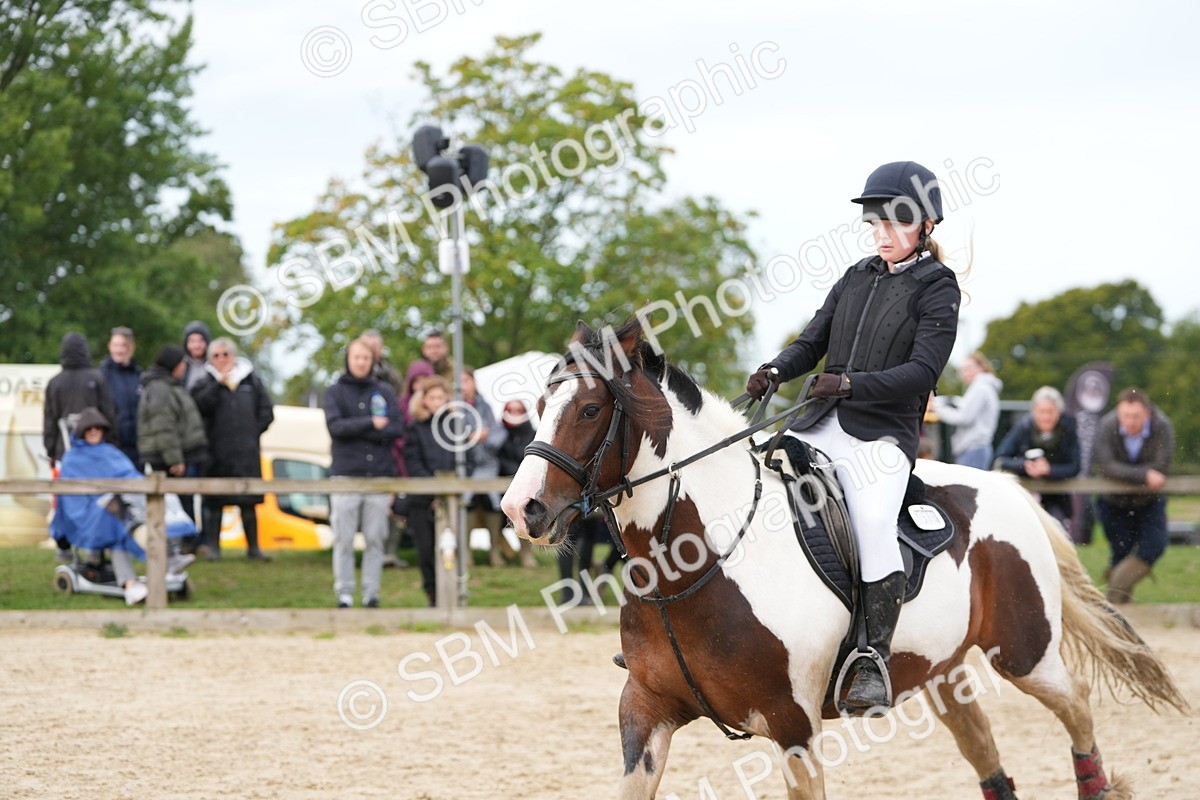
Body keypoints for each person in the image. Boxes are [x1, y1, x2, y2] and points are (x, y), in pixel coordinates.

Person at [744, 161, 960, 715]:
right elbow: (812, 339)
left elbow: (921, 372)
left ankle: (870, 656)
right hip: (816, 424)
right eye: (876, 222)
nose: (882, 233)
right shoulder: (856, 275)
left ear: (926, 225)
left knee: (869, 523)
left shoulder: (939, 288)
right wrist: (775, 369)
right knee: (749, 492)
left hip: (881, 439)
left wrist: (851, 384)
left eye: (896, 223)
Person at [50, 407, 195, 605]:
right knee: (119, 514)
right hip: (88, 514)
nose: (93, 431)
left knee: (159, 497)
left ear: (103, 430)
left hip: (118, 507)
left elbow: (130, 476)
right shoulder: (73, 458)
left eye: (97, 428)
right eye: (89, 428)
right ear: (82, 430)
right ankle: (131, 582)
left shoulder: (111, 452)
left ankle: (170, 556)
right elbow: (70, 497)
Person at [324, 337, 406, 608]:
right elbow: (336, 428)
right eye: (356, 357)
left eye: (366, 358)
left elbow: (396, 427)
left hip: (379, 475)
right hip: (346, 475)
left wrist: (361, 428)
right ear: (348, 359)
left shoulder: (384, 391)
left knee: (375, 538)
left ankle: (371, 593)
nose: (361, 362)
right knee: (344, 539)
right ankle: (344, 593)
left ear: (372, 361)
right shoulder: (334, 392)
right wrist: (371, 423)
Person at [190, 337, 275, 561]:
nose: (221, 359)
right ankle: (214, 549)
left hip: (246, 454)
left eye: (225, 354)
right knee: (214, 503)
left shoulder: (251, 381)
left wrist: (250, 434)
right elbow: (199, 407)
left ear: (233, 356)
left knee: (248, 502)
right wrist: (218, 385)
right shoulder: (204, 382)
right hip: (215, 454)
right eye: (216, 355)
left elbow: (267, 412)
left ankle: (253, 548)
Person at [1092, 387, 1174, 604]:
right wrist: (1144, 474)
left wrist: (1128, 474)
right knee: (1121, 552)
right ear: (1119, 413)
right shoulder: (1107, 425)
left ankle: (1111, 597)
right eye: (1126, 416)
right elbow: (1107, 466)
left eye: (1136, 416)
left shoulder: (1162, 426)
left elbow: (1162, 465)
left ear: (1146, 413)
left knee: (1154, 546)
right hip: (1113, 503)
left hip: (1149, 502)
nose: (1130, 421)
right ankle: (1121, 611)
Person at [43, 332, 118, 562]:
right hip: (95, 452)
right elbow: (109, 414)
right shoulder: (96, 378)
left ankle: (64, 546)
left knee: (66, 501)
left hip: (66, 453)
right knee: (97, 499)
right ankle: (95, 548)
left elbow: (49, 420)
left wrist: (51, 452)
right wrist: (112, 445)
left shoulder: (55, 383)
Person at [404, 376, 472, 607]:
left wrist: (451, 491)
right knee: (426, 551)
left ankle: (455, 595)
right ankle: (433, 595)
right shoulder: (414, 428)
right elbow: (412, 462)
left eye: (441, 397)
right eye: (432, 397)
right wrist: (434, 491)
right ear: (423, 400)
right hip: (422, 500)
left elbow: (466, 459)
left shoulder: (456, 425)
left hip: (452, 500)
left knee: (453, 550)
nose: (436, 401)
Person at [993, 386, 1081, 529]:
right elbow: (1001, 458)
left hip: (1057, 498)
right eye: (1042, 412)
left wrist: (1049, 470)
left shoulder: (1068, 428)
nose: (1046, 417)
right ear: (1034, 411)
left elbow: (1075, 466)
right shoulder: (1023, 427)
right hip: (1025, 496)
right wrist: (1025, 466)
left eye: (1050, 412)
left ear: (1058, 412)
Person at [460, 367, 510, 567]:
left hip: (487, 466)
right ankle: (465, 553)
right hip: (464, 468)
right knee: (467, 503)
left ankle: (494, 551)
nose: (463, 386)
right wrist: (469, 436)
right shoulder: (453, 407)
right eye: (459, 382)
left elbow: (498, 434)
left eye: (466, 381)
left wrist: (485, 437)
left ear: (474, 383)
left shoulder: (485, 406)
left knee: (492, 504)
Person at [138, 345, 209, 478]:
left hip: (180, 455)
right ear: (173, 364)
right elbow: (163, 427)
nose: (184, 366)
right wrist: (175, 460)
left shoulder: (171, 385)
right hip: (168, 461)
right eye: (181, 363)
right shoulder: (160, 388)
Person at [931, 352, 1002, 469]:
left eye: (969, 368)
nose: (965, 373)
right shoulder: (985, 387)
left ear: (981, 367)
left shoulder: (980, 388)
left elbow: (964, 417)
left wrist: (936, 409)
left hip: (973, 450)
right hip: (976, 449)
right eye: (963, 370)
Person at [497, 399, 538, 568]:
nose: (514, 414)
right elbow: (498, 458)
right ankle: (499, 550)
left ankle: (526, 553)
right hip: (501, 486)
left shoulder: (534, 433)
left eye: (518, 410)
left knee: (527, 511)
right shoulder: (498, 434)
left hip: (528, 487)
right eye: (511, 410)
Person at [99, 325, 143, 467]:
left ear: (131, 347)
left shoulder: (139, 375)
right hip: (110, 446)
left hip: (137, 448)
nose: (119, 349)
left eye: (123, 345)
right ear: (109, 346)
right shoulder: (101, 375)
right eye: (115, 345)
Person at [361, 328, 405, 397]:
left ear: (381, 347)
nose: (370, 350)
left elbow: (399, 392)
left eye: (374, 346)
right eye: (366, 346)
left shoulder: (390, 372)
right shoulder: (350, 372)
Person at [181, 320, 213, 391]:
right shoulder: (179, 366)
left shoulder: (215, 366)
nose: (197, 345)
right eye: (192, 341)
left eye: (201, 341)